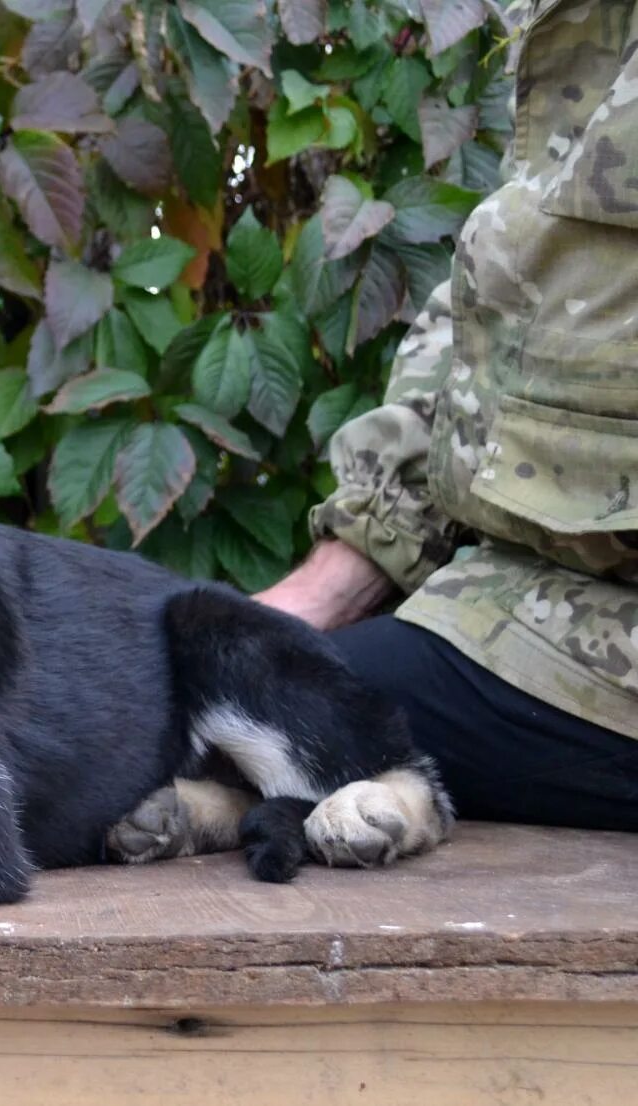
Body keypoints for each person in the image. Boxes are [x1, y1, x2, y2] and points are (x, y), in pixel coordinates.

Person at [253, 0, 638, 831]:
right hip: (545, 603)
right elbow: (516, 286)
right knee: (252, 696)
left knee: (254, 729)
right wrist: (367, 546)